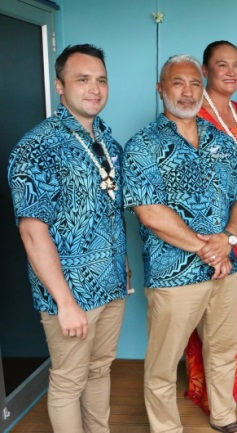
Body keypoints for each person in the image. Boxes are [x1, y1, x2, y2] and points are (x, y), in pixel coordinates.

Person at [122, 55, 237, 433]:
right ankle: (166, 429)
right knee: (164, 363)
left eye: (195, 83)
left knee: (223, 351)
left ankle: (224, 417)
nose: (187, 91)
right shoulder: (143, 145)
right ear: (160, 89)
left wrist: (227, 239)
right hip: (174, 275)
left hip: (222, 269)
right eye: (178, 83)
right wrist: (206, 248)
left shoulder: (220, 142)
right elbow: (150, 212)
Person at [8, 43, 129, 433]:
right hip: (70, 294)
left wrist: (121, 264)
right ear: (60, 86)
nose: (94, 88)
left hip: (110, 286)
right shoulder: (37, 146)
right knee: (68, 380)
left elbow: (109, 210)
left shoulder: (109, 143)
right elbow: (31, 229)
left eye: (100, 80)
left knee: (99, 370)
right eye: (82, 79)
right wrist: (65, 302)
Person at [183, 40, 237, 412]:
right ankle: (207, 391)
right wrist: (214, 236)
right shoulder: (193, 112)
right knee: (202, 307)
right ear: (205, 71)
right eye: (221, 64)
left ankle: (233, 388)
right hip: (205, 231)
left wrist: (236, 229)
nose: (231, 71)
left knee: (234, 312)